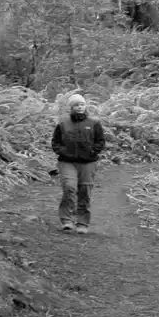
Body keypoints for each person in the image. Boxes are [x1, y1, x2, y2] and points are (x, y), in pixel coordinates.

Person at [50, 92, 107, 233]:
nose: (80, 107)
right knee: (69, 188)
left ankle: (82, 223)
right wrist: (63, 152)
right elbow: (55, 142)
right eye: (76, 105)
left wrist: (93, 151)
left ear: (85, 106)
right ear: (71, 107)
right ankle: (67, 220)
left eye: (82, 104)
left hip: (88, 163)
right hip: (67, 162)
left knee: (85, 191)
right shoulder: (63, 123)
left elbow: (100, 141)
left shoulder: (94, 123)